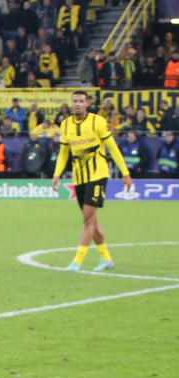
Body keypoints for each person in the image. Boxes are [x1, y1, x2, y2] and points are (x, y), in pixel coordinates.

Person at [51, 90, 132, 272]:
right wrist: (57, 174)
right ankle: (106, 258)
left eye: (81, 101)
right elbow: (64, 152)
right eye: (75, 101)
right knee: (92, 220)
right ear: (71, 103)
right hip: (79, 177)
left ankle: (77, 262)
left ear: (87, 103)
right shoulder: (65, 125)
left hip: (97, 175)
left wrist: (125, 173)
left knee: (87, 219)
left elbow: (112, 147)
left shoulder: (98, 122)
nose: (78, 104)